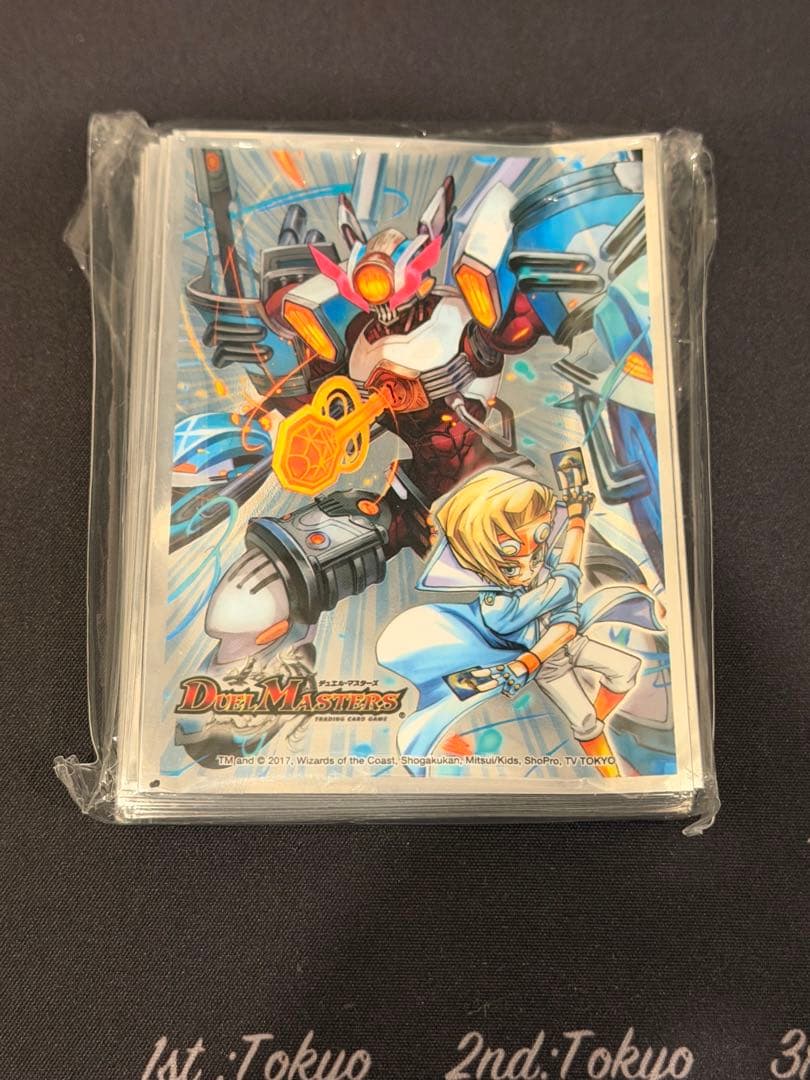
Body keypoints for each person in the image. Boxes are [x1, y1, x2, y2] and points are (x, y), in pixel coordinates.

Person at [378, 467, 656, 778]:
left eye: (536, 547)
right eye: (511, 564)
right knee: (585, 722)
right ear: (478, 565)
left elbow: (564, 609)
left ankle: (592, 720)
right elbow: (563, 586)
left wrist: (564, 620)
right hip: (548, 665)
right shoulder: (498, 607)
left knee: (627, 669)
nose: (529, 566)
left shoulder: (544, 565)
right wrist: (577, 523)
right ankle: (613, 779)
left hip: (569, 643)